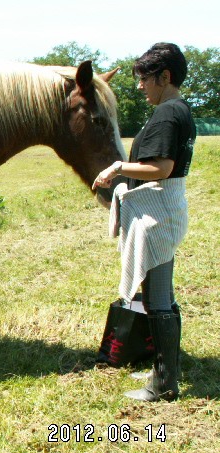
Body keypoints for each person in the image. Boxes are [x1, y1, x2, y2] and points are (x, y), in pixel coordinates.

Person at [92, 43, 196, 402]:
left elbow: (162, 168)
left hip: (158, 213)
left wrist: (117, 168)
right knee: (159, 296)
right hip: (164, 209)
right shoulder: (177, 109)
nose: (139, 86)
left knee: (158, 299)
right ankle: (164, 369)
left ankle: (165, 382)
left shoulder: (168, 113)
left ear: (164, 77)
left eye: (144, 79)